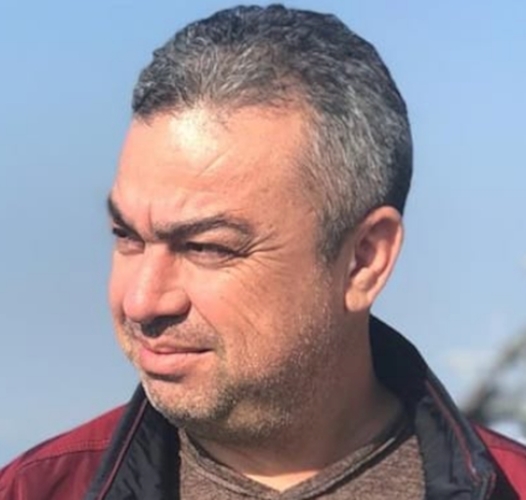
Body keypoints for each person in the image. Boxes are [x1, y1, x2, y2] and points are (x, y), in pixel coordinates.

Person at [1, 4, 525, 499]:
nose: (142, 301)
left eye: (205, 246)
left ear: (364, 259)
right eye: (127, 237)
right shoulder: (33, 490)